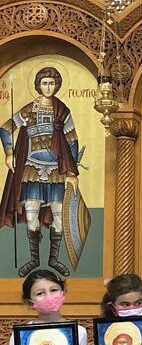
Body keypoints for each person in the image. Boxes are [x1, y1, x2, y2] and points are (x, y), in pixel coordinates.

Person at [0, 67, 80, 277]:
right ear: (38, 85)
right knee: (31, 212)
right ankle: (34, 259)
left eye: (51, 83)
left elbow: (72, 141)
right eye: (44, 83)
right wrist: (9, 153)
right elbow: (5, 128)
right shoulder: (29, 110)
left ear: (57, 85)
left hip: (56, 171)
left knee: (59, 214)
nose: (48, 87)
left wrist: (72, 173)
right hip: (32, 169)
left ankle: (54, 259)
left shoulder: (62, 111)